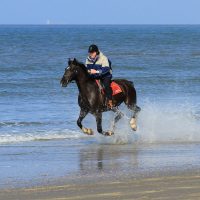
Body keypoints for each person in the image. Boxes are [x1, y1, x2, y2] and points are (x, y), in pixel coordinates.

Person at [86, 44, 113, 109]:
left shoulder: (103, 58)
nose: (91, 54)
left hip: (106, 75)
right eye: (90, 53)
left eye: (92, 53)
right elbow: (87, 69)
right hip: (94, 76)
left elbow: (106, 69)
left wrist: (96, 72)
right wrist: (89, 71)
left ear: (96, 52)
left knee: (106, 86)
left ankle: (110, 101)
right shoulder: (88, 59)